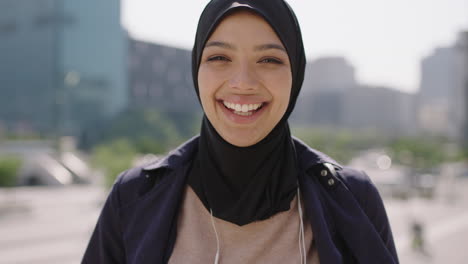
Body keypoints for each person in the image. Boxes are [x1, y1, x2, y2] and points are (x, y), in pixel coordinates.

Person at [82, 0, 399, 263]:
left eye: (269, 59)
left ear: (297, 74)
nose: (243, 82)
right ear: (196, 69)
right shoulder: (135, 195)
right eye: (220, 57)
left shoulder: (350, 198)